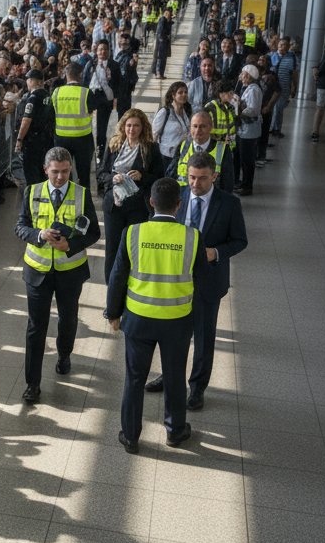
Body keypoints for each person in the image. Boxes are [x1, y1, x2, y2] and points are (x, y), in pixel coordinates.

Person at [106, 176, 208, 454]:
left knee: (134, 378)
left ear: (151, 202)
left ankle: (130, 436)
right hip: (177, 320)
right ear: (179, 204)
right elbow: (202, 281)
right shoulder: (192, 237)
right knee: (174, 376)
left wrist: (113, 313)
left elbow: (117, 277)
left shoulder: (133, 233)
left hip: (138, 318)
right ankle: (175, 431)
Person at [145, 152, 247, 410]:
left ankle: (197, 387)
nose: (195, 183)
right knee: (172, 335)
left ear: (214, 176)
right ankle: (168, 376)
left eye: (202, 178)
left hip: (208, 281)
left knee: (203, 337)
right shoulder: (176, 197)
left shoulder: (229, 204)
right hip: (175, 280)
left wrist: (216, 252)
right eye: (191, 177)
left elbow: (240, 241)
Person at [14, 146, 101, 401]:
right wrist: (39, 234)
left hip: (69, 272)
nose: (60, 177)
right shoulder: (32, 191)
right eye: (55, 172)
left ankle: (64, 354)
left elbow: (94, 232)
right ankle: (32, 384)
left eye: (65, 171)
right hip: (37, 270)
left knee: (68, 319)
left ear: (70, 169)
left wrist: (70, 245)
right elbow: (20, 227)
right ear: (46, 170)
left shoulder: (81, 194)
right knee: (36, 326)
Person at [96, 110, 163, 284]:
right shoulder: (114, 145)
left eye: (136, 126)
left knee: (134, 247)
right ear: (123, 126)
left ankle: (132, 284)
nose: (132, 129)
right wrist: (113, 178)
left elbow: (159, 178)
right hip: (114, 206)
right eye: (129, 125)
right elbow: (101, 174)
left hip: (137, 207)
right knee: (112, 248)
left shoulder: (151, 149)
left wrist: (142, 176)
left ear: (143, 127)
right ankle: (111, 285)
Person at [50, 62, 97, 194]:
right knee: (84, 173)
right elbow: (92, 108)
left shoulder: (56, 92)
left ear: (66, 75)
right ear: (80, 75)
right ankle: (84, 199)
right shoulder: (86, 92)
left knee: (63, 172)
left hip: (61, 138)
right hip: (83, 138)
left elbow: (52, 112)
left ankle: (66, 196)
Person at [166, 110, 234, 194]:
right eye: (195, 126)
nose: (198, 130)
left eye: (203, 126)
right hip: (184, 198)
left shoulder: (223, 150)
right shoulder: (182, 146)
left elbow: (228, 184)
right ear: (190, 128)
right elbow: (170, 176)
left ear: (211, 127)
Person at [14, 68, 54, 185]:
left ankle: (33, 196)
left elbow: (26, 120)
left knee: (31, 175)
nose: (27, 82)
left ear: (33, 81)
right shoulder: (48, 96)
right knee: (44, 173)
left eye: (28, 80)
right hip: (47, 139)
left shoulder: (32, 98)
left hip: (33, 141)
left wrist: (19, 139)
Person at [85, 40, 121, 158]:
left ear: (109, 51)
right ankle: (89, 149)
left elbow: (118, 84)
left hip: (105, 98)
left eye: (105, 49)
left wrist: (116, 99)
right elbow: (85, 80)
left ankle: (100, 152)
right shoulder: (91, 64)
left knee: (102, 127)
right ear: (96, 51)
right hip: (91, 96)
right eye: (100, 49)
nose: (103, 52)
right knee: (87, 124)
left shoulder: (114, 65)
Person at [235, 65, 262, 196]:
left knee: (247, 160)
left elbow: (253, 110)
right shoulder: (247, 88)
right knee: (244, 159)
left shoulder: (253, 90)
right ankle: (244, 183)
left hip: (249, 132)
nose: (241, 76)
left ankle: (247, 186)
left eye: (243, 74)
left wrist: (238, 109)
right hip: (244, 130)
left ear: (249, 76)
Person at [151, 81, 191, 161]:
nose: (184, 94)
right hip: (166, 156)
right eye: (180, 92)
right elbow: (154, 134)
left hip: (183, 154)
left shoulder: (187, 110)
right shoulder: (165, 112)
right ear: (173, 95)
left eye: (185, 92)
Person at [269, 35, 299, 138]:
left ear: (288, 47)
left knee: (279, 108)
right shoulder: (271, 56)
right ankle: (270, 128)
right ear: (277, 45)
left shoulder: (292, 57)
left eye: (285, 45)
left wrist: (294, 87)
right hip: (271, 88)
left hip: (284, 87)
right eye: (281, 44)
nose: (283, 47)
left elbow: (294, 73)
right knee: (271, 108)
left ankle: (276, 129)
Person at [152, 6, 173, 78]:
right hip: (161, 42)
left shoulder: (167, 20)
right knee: (160, 57)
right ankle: (158, 73)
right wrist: (162, 40)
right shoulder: (162, 20)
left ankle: (161, 73)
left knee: (163, 58)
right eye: (167, 13)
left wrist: (169, 21)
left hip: (164, 41)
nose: (168, 15)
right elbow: (160, 31)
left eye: (169, 14)